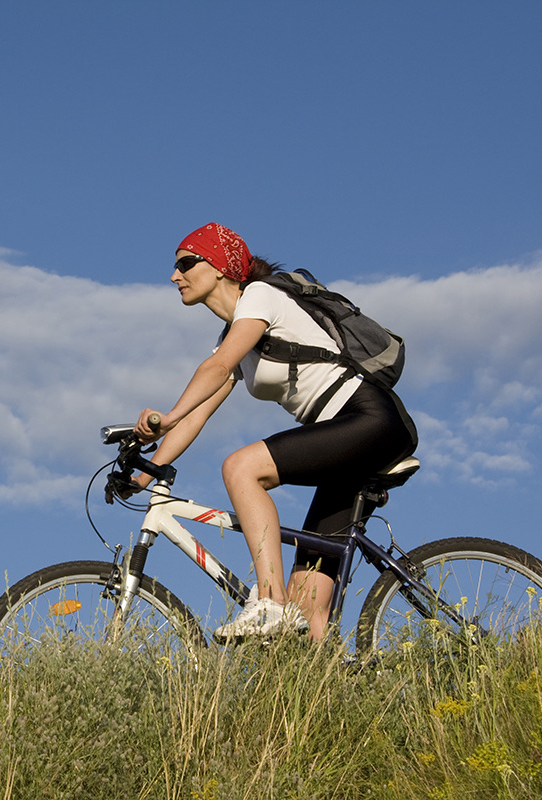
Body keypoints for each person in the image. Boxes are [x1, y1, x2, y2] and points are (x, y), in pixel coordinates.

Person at [129, 223, 416, 641]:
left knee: (241, 468)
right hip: (344, 445)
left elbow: (217, 368)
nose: (175, 276)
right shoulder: (234, 335)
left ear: (222, 267)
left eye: (186, 263)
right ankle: (331, 688)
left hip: (367, 418)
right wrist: (146, 472)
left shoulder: (261, 297)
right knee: (307, 614)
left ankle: (267, 602)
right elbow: (198, 414)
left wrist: (167, 415)